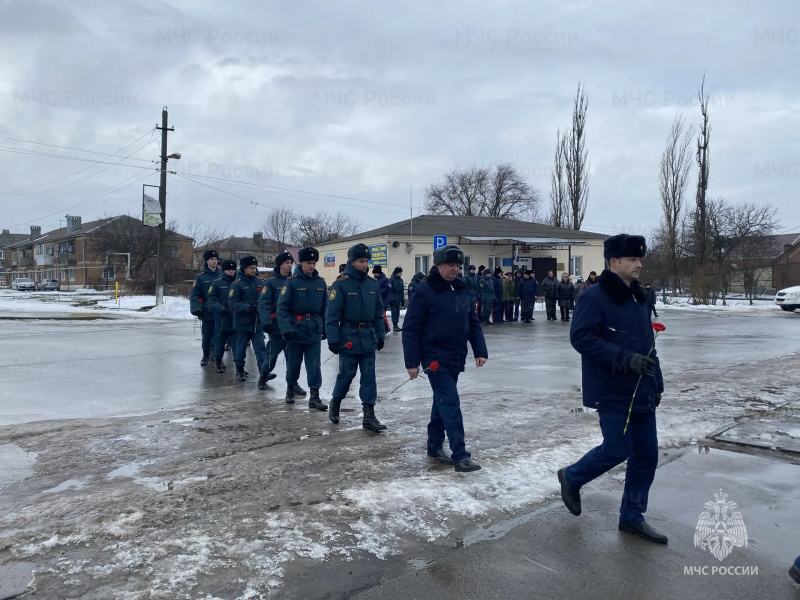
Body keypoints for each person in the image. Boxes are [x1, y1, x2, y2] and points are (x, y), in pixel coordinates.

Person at [557, 234, 666, 544]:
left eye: (639, 259)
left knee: (646, 455)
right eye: (633, 259)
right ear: (614, 262)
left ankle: (632, 517)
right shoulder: (595, 297)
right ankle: (572, 476)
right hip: (612, 389)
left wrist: (656, 382)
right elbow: (581, 338)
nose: (639, 264)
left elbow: (648, 346)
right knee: (618, 448)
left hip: (642, 389)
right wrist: (625, 359)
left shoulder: (640, 297)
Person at [401, 244, 488, 472]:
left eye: (459, 265)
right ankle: (460, 455)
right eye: (451, 265)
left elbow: (472, 322)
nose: (455, 270)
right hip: (434, 359)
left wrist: (480, 350)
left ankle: (434, 445)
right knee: (450, 403)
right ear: (438, 265)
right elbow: (410, 329)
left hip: (456, 356)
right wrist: (411, 362)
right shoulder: (424, 291)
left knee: (442, 404)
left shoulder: (461, 289)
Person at [325, 243, 387, 430]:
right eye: (361, 261)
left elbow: (378, 312)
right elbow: (331, 315)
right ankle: (335, 402)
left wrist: (381, 334)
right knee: (347, 375)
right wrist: (333, 340)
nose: (365, 265)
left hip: (368, 337)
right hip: (349, 339)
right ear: (352, 261)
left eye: (367, 261)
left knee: (369, 377)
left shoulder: (372, 284)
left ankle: (369, 415)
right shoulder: (341, 285)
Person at [276, 247, 328, 410]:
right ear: (301, 263)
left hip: (313, 329)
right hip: (295, 329)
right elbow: (282, 308)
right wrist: (286, 329)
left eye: (314, 263)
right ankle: (290, 390)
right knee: (293, 364)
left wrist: (325, 329)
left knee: (314, 365)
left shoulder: (321, 283)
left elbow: (325, 309)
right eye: (308, 263)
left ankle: (314, 397)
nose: (312, 266)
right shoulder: (292, 282)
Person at [257, 252, 303, 394]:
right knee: (272, 355)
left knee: (293, 358)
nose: (289, 265)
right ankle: (263, 376)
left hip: (292, 326)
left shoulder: (296, 281)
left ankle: (293, 383)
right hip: (276, 327)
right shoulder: (271, 283)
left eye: (291, 263)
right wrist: (266, 322)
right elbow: (264, 304)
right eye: (286, 263)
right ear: (279, 265)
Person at [229, 256, 268, 382]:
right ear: (244, 268)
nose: (253, 270)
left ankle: (263, 371)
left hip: (257, 323)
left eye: (255, 267)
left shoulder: (260, 283)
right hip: (242, 323)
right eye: (251, 268)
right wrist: (248, 307)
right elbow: (232, 303)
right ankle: (240, 369)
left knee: (260, 348)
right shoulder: (237, 284)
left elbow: (266, 300)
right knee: (240, 348)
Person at [189, 249, 221, 366]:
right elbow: (194, 295)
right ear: (206, 261)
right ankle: (206, 355)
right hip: (207, 311)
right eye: (211, 259)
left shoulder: (222, 276)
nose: (214, 261)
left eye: (215, 259)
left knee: (218, 334)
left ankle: (215, 354)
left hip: (219, 311)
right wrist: (197, 308)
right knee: (207, 334)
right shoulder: (200, 277)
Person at [206, 259, 238, 374]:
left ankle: (239, 366)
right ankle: (218, 361)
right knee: (219, 343)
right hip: (222, 318)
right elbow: (211, 300)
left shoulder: (238, 282)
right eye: (229, 269)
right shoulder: (217, 283)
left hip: (235, 319)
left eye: (233, 269)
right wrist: (221, 309)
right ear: (224, 270)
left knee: (236, 345)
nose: (231, 272)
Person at [372, 264, 391, 333]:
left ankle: (387, 328)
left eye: (375, 273)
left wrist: (378, 292)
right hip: (376, 301)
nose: (374, 274)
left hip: (383, 301)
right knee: (378, 316)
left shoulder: (385, 280)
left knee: (383, 315)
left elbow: (387, 288)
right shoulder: (374, 280)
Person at [389, 266, 405, 332]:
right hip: (393, 297)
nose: (401, 274)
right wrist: (391, 298)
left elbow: (402, 290)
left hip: (398, 297)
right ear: (397, 272)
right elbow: (389, 290)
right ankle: (394, 325)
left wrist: (402, 299)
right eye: (400, 272)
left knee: (397, 312)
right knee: (394, 312)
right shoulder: (391, 280)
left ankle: (396, 324)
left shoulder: (401, 280)